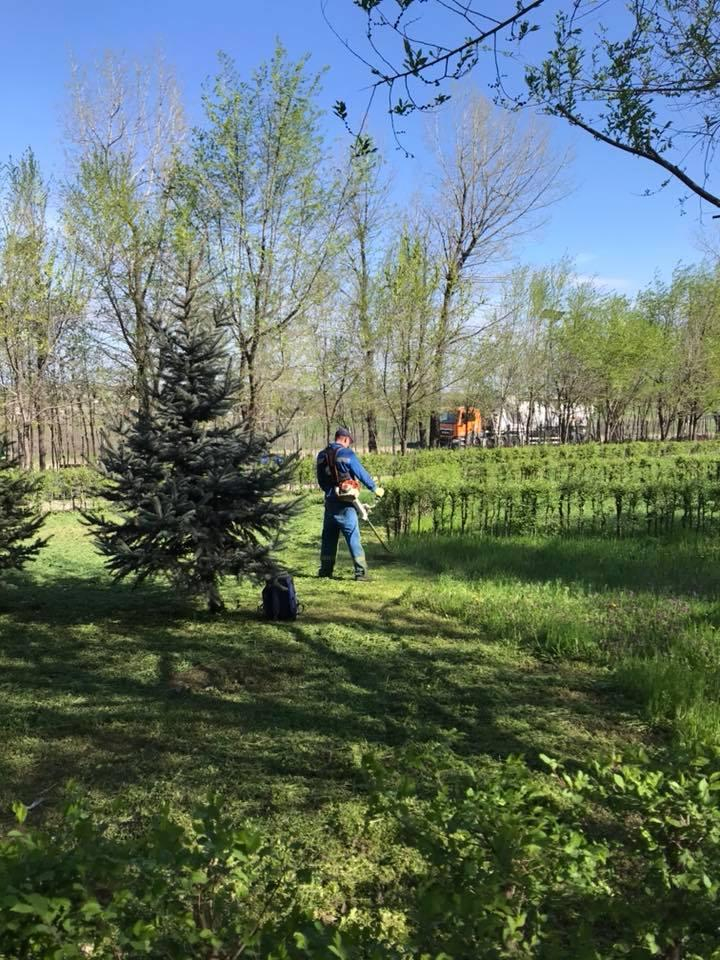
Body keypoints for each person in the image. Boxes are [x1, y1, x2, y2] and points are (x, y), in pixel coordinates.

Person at [316, 427, 384, 580]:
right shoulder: (347, 454)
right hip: (346, 504)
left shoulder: (321, 455)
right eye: (349, 442)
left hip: (330, 503)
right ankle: (361, 573)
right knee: (353, 537)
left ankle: (325, 571)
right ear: (345, 440)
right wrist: (375, 488)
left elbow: (320, 480)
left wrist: (330, 491)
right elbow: (360, 473)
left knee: (328, 538)